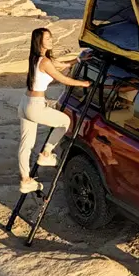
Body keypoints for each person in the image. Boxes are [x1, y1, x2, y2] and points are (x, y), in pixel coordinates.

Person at [18, 28, 90, 193]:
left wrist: (78, 59)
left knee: (25, 145)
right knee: (65, 121)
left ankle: (26, 180)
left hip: (25, 103)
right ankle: (46, 154)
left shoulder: (37, 58)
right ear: (40, 41)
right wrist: (83, 84)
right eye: (47, 38)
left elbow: (61, 64)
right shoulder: (45, 62)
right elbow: (62, 78)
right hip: (35, 105)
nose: (51, 40)